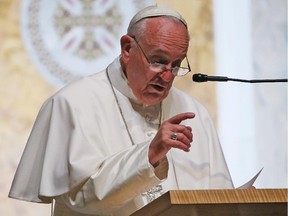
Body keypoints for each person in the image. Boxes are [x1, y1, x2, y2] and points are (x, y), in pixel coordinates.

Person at [9, 5, 234, 216]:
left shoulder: (195, 112)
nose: (167, 77)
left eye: (176, 65)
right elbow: (82, 196)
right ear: (127, 48)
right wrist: (150, 154)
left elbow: (219, 197)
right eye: (158, 61)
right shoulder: (72, 103)